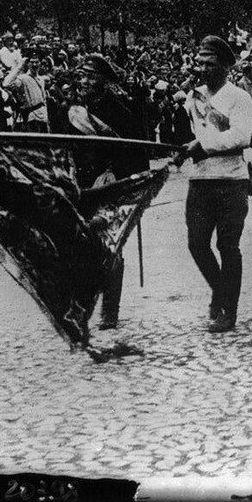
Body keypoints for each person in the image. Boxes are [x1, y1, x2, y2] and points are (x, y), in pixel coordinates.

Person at [176, 36, 252, 334]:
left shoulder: (239, 97)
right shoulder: (193, 97)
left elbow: (241, 136)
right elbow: (192, 132)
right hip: (200, 179)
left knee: (228, 246)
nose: (202, 69)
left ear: (224, 66)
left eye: (209, 64)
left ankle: (228, 311)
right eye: (199, 63)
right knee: (196, 244)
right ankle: (221, 293)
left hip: (231, 179)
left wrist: (203, 145)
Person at [72, 53, 152, 329]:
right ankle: (88, 308)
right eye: (81, 76)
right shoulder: (78, 107)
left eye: (90, 77)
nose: (83, 81)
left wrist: (119, 176)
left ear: (104, 81)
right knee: (87, 245)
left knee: (108, 244)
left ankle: (108, 311)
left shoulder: (116, 107)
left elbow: (133, 146)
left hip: (111, 184)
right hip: (86, 184)